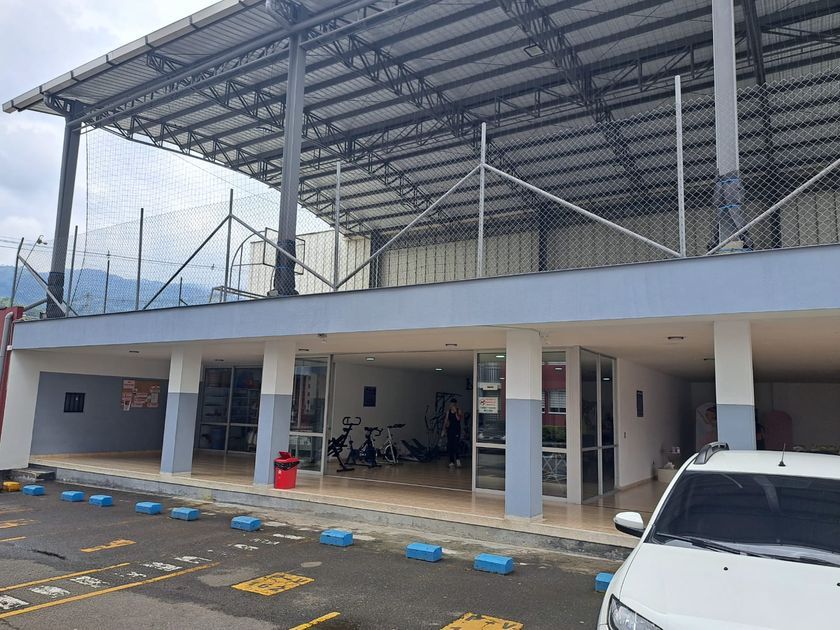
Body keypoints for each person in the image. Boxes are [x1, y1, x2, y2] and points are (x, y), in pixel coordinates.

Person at [442, 398, 463, 468]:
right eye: (451, 404)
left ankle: (458, 460)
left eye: (453, 404)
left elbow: (458, 419)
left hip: (456, 430)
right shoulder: (448, 411)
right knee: (450, 445)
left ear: (456, 405)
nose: (452, 405)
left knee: (456, 445)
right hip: (450, 430)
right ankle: (451, 461)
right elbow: (446, 421)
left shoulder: (458, 410)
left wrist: (455, 412)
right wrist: (444, 430)